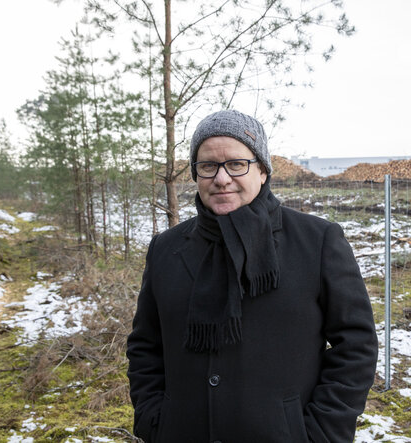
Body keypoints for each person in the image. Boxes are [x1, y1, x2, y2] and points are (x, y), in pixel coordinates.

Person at [127, 110, 378, 443]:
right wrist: (154, 419)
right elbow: (145, 345)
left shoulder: (317, 242)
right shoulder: (165, 249)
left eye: (236, 164)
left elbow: (356, 345)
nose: (221, 178)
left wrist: (321, 434)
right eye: (207, 166)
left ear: (262, 169)